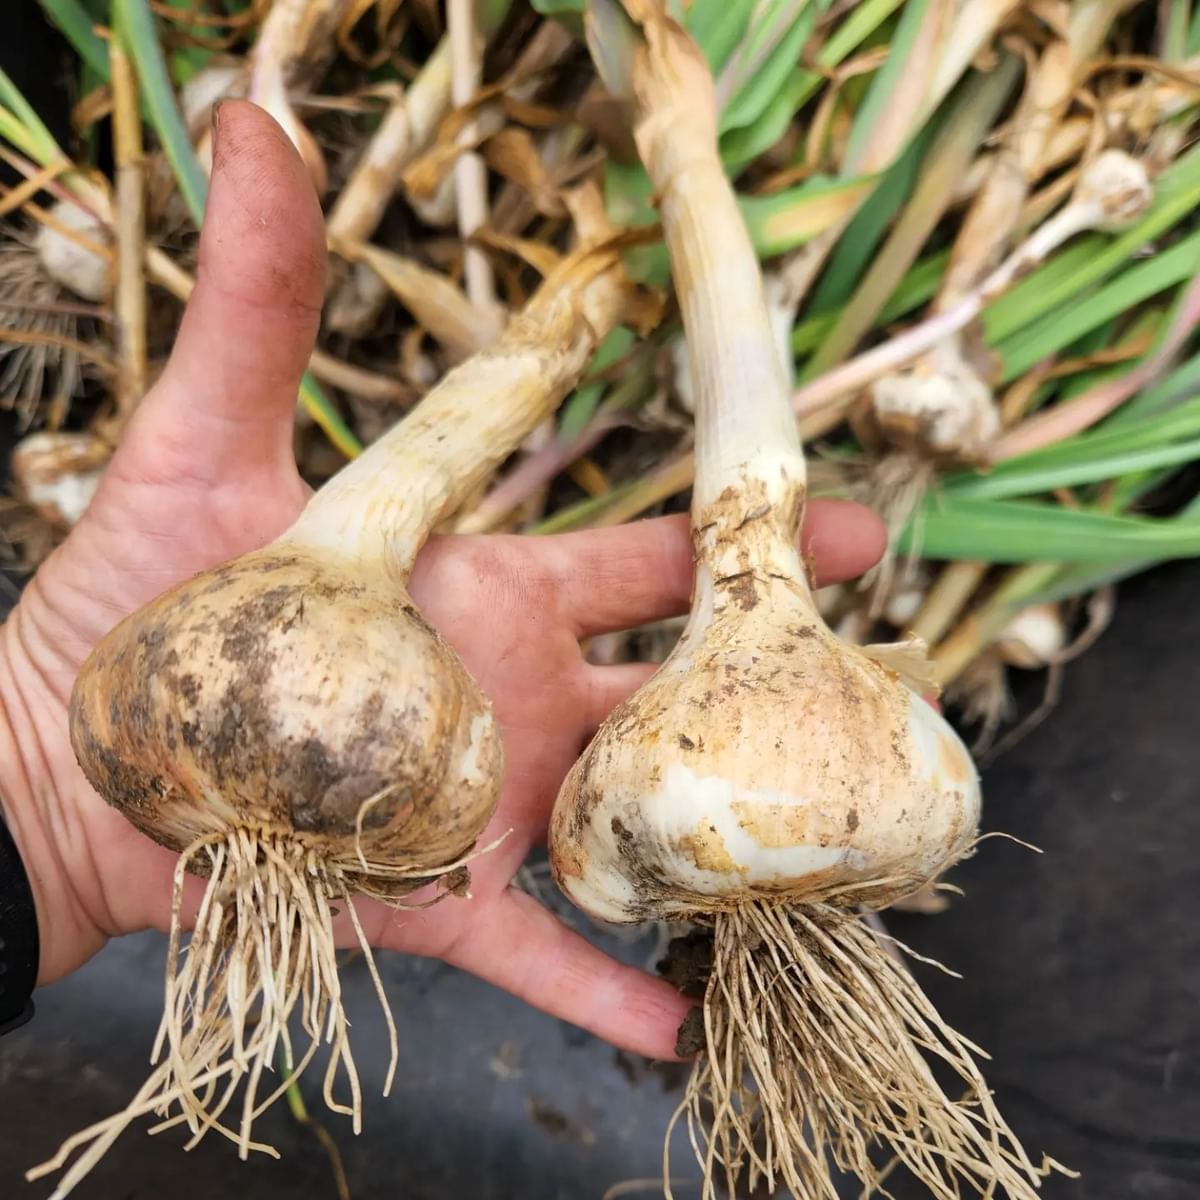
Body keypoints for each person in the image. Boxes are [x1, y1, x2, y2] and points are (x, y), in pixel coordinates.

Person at [0, 102, 885, 1059]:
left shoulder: (113, 728)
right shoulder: (134, 735)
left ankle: (599, 280)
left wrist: (35, 829)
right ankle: (598, 283)